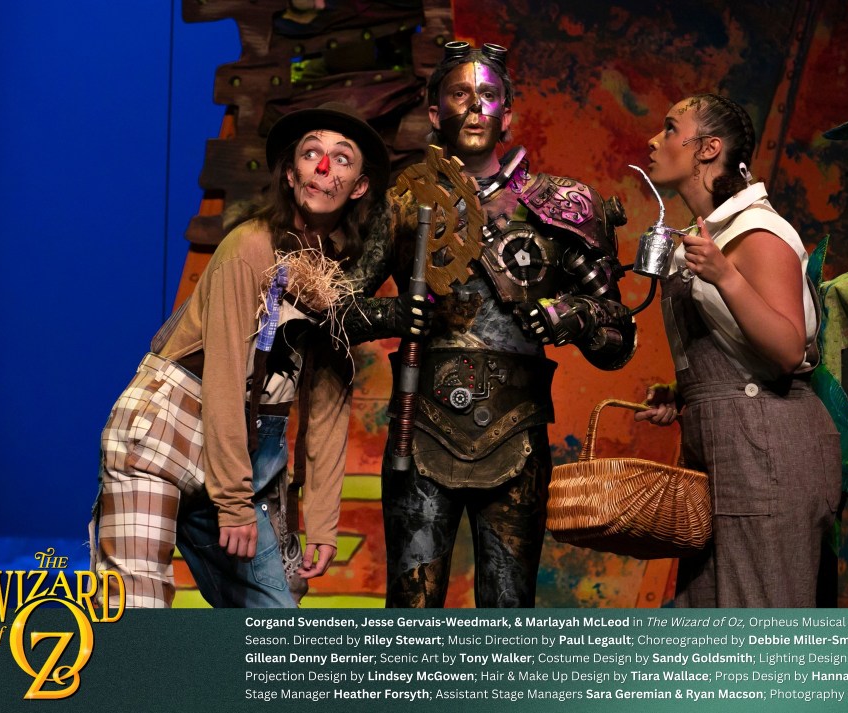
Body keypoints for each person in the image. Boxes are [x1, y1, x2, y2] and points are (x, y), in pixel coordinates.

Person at [342, 41, 636, 607]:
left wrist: (571, 316)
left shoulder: (561, 206)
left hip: (517, 435)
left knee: (507, 616)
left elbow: (618, 335)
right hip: (418, 431)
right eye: (460, 94)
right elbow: (341, 311)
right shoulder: (401, 201)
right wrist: (395, 314)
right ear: (435, 113)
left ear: (509, 114)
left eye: (489, 95)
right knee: (410, 616)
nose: (475, 107)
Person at [91, 102, 390, 607]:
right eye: (310, 153)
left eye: (341, 158)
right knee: (136, 615)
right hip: (166, 433)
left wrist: (321, 521)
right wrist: (233, 504)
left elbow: (328, 401)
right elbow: (226, 374)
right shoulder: (249, 247)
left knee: (274, 620)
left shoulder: (337, 278)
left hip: (245, 446)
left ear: (359, 186)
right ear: (291, 175)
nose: (323, 167)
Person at [633, 93, 840, 607]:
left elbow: (787, 348)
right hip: (722, 446)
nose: (654, 141)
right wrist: (687, 391)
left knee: (758, 625)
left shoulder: (757, 230)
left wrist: (725, 274)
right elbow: (736, 343)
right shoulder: (708, 233)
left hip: (766, 447)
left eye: (670, 128)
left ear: (708, 149)